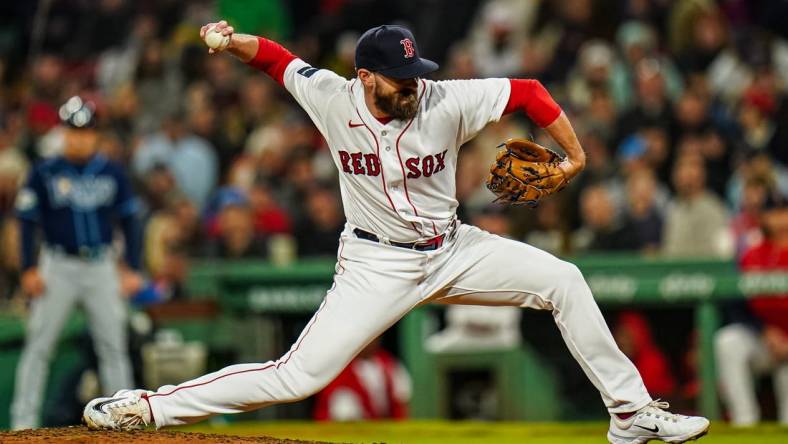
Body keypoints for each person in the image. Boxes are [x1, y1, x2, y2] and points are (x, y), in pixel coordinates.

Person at [83, 22, 709, 443]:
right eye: (400, 78)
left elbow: (531, 92)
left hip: (455, 249)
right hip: (374, 265)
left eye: (416, 73)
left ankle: (630, 416)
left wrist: (573, 158)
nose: (414, 85)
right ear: (365, 77)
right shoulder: (331, 97)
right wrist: (229, 39)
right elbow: (276, 61)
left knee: (564, 280)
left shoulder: (445, 99)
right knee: (298, 376)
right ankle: (150, 407)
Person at [11, 96, 143, 429]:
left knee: (113, 347)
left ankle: (123, 422)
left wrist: (133, 267)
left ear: (96, 134)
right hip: (57, 266)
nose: (79, 137)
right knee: (39, 346)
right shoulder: (44, 172)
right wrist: (28, 267)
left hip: (101, 266)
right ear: (63, 132)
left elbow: (130, 220)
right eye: (72, 130)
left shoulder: (111, 171)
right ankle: (22, 425)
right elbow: (27, 222)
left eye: (85, 131)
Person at [715, 194, 788, 426]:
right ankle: (744, 422)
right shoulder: (753, 252)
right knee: (728, 341)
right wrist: (764, 331)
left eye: (783, 212)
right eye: (773, 213)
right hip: (764, 340)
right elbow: (736, 304)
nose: (779, 220)